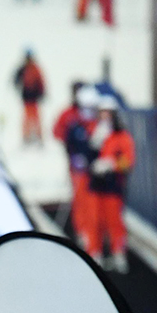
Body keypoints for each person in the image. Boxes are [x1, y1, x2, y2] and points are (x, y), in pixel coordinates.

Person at [86, 95, 135, 272]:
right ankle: (94, 253)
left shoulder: (122, 136)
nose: (105, 116)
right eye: (102, 113)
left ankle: (118, 253)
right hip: (96, 184)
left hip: (113, 185)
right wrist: (93, 146)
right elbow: (85, 156)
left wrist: (112, 165)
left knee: (114, 222)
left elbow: (128, 160)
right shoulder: (93, 131)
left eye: (108, 113)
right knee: (94, 221)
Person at [53, 83, 98, 248]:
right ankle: (82, 233)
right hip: (77, 167)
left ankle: (95, 238)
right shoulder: (69, 117)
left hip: (94, 169)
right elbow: (58, 132)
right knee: (81, 200)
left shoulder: (97, 121)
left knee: (94, 204)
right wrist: (72, 150)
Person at [13, 49, 46, 145]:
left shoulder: (36, 69)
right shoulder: (23, 69)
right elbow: (16, 80)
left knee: (36, 118)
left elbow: (41, 82)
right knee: (27, 118)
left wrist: (42, 93)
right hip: (26, 98)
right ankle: (26, 137)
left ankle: (38, 137)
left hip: (34, 99)